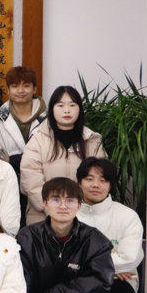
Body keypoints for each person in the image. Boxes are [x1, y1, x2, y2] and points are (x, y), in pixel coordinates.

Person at [76, 157, 144, 293]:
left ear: (111, 185)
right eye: (89, 179)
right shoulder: (69, 214)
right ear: (79, 182)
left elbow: (129, 259)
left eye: (103, 180)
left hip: (120, 279)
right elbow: (64, 258)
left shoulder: (127, 216)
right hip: (86, 277)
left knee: (119, 291)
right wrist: (107, 269)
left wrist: (86, 265)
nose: (96, 185)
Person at [20, 86, 105, 225]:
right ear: (52, 109)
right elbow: (31, 182)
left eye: (72, 105)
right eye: (60, 105)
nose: (66, 110)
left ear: (80, 109)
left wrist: (76, 211)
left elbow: (98, 180)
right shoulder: (37, 141)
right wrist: (53, 210)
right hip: (42, 218)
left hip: (83, 219)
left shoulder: (92, 140)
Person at [0, 66, 47, 227]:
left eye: (26, 86)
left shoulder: (49, 120)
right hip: (9, 184)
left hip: (41, 182)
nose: (20, 90)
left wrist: (12, 160)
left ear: (34, 89)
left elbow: (48, 154)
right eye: (15, 86)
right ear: (8, 90)